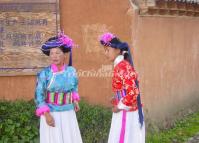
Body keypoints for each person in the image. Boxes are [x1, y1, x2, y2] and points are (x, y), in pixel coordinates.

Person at [35, 33, 83, 143]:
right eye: (52, 53)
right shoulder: (45, 73)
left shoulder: (71, 71)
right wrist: (46, 115)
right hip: (52, 114)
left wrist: (75, 100)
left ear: (64, 55)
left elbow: (74, 87)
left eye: (57, 53)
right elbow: (38, 95)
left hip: (68, 113)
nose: (54, 56)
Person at [99, 33, 145, 143]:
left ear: (117, 50)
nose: (105, 53)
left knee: (123, 139)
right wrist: (116, 97)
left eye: (108, 50)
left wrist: (119, 106)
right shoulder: (121, 65)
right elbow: (125, 89)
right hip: (125, 110)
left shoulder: (122, 66)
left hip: (126, 112)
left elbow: (133, 92)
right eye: (104, 50)